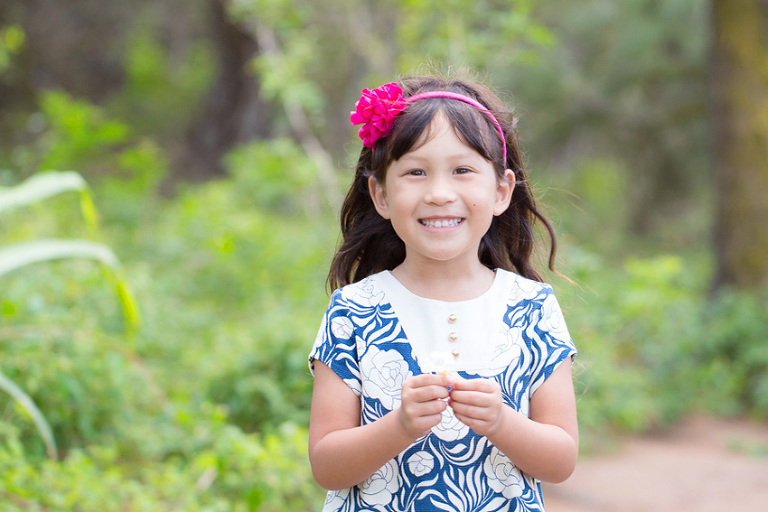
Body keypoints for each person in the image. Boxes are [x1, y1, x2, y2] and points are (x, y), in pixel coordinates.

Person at [308, 73, 578, 512]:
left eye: (462, 170)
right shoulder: (353, 311)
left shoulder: (532, 308)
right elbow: (325, 465)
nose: (438, 193)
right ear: (380, 194)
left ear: (501, 190)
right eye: (415, 172)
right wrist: (399, 425)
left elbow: (561, 459)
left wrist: (501, 422)